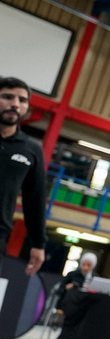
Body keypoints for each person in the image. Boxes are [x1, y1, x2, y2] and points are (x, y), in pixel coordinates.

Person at [0, 77, 46, 275]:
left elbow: (34, 199)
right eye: (8, 97)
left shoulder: (32, 150)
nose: (15, 104)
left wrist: (38, 243)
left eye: (22, 100)